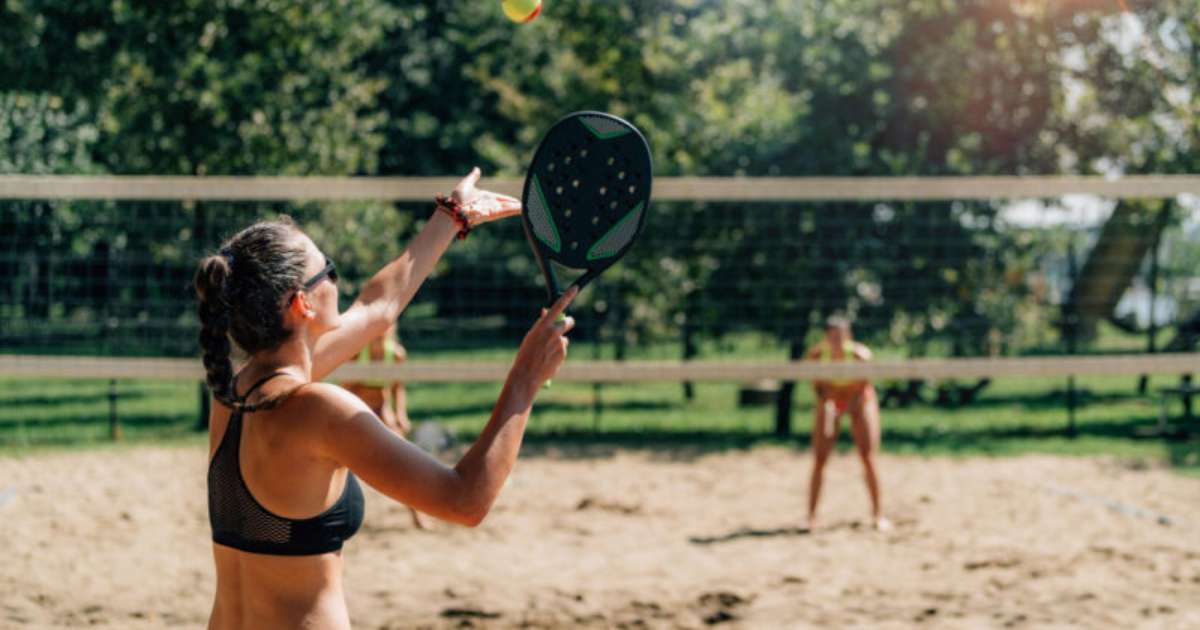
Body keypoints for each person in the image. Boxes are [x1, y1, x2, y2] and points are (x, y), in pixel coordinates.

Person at [195, 168, 578, 630]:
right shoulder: (319, 410)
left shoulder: (234, 393)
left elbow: (379, 307)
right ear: (302, 304)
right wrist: (525, 379)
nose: (340, 280)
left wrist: (452, 216)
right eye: (329, 271)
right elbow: (465, 501)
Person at [805, 315, 890, 532]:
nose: (836, 341)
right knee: (819, 458)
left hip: (860, 401)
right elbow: (818, 388)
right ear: (826, 337)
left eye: (840, 336)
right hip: (830, 402)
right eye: (832, 336)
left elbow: (863, 387)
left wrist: (849, 405)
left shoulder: (860, 356)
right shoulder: (817, 356)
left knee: (868, 456)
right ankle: (811, 517)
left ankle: (878, 514)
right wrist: (831, 405)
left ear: (848, 337)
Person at [340, 324, 426, 529]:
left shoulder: (396, 354)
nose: (381, 331)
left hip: (381, 411)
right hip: (356, 411)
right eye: (377, 327)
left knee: (404, 462)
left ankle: (417, 515)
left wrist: (400, 414)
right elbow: (346, 390)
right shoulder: (358, 352)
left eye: (386, 327)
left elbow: (398, 388)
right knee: (339, 463)